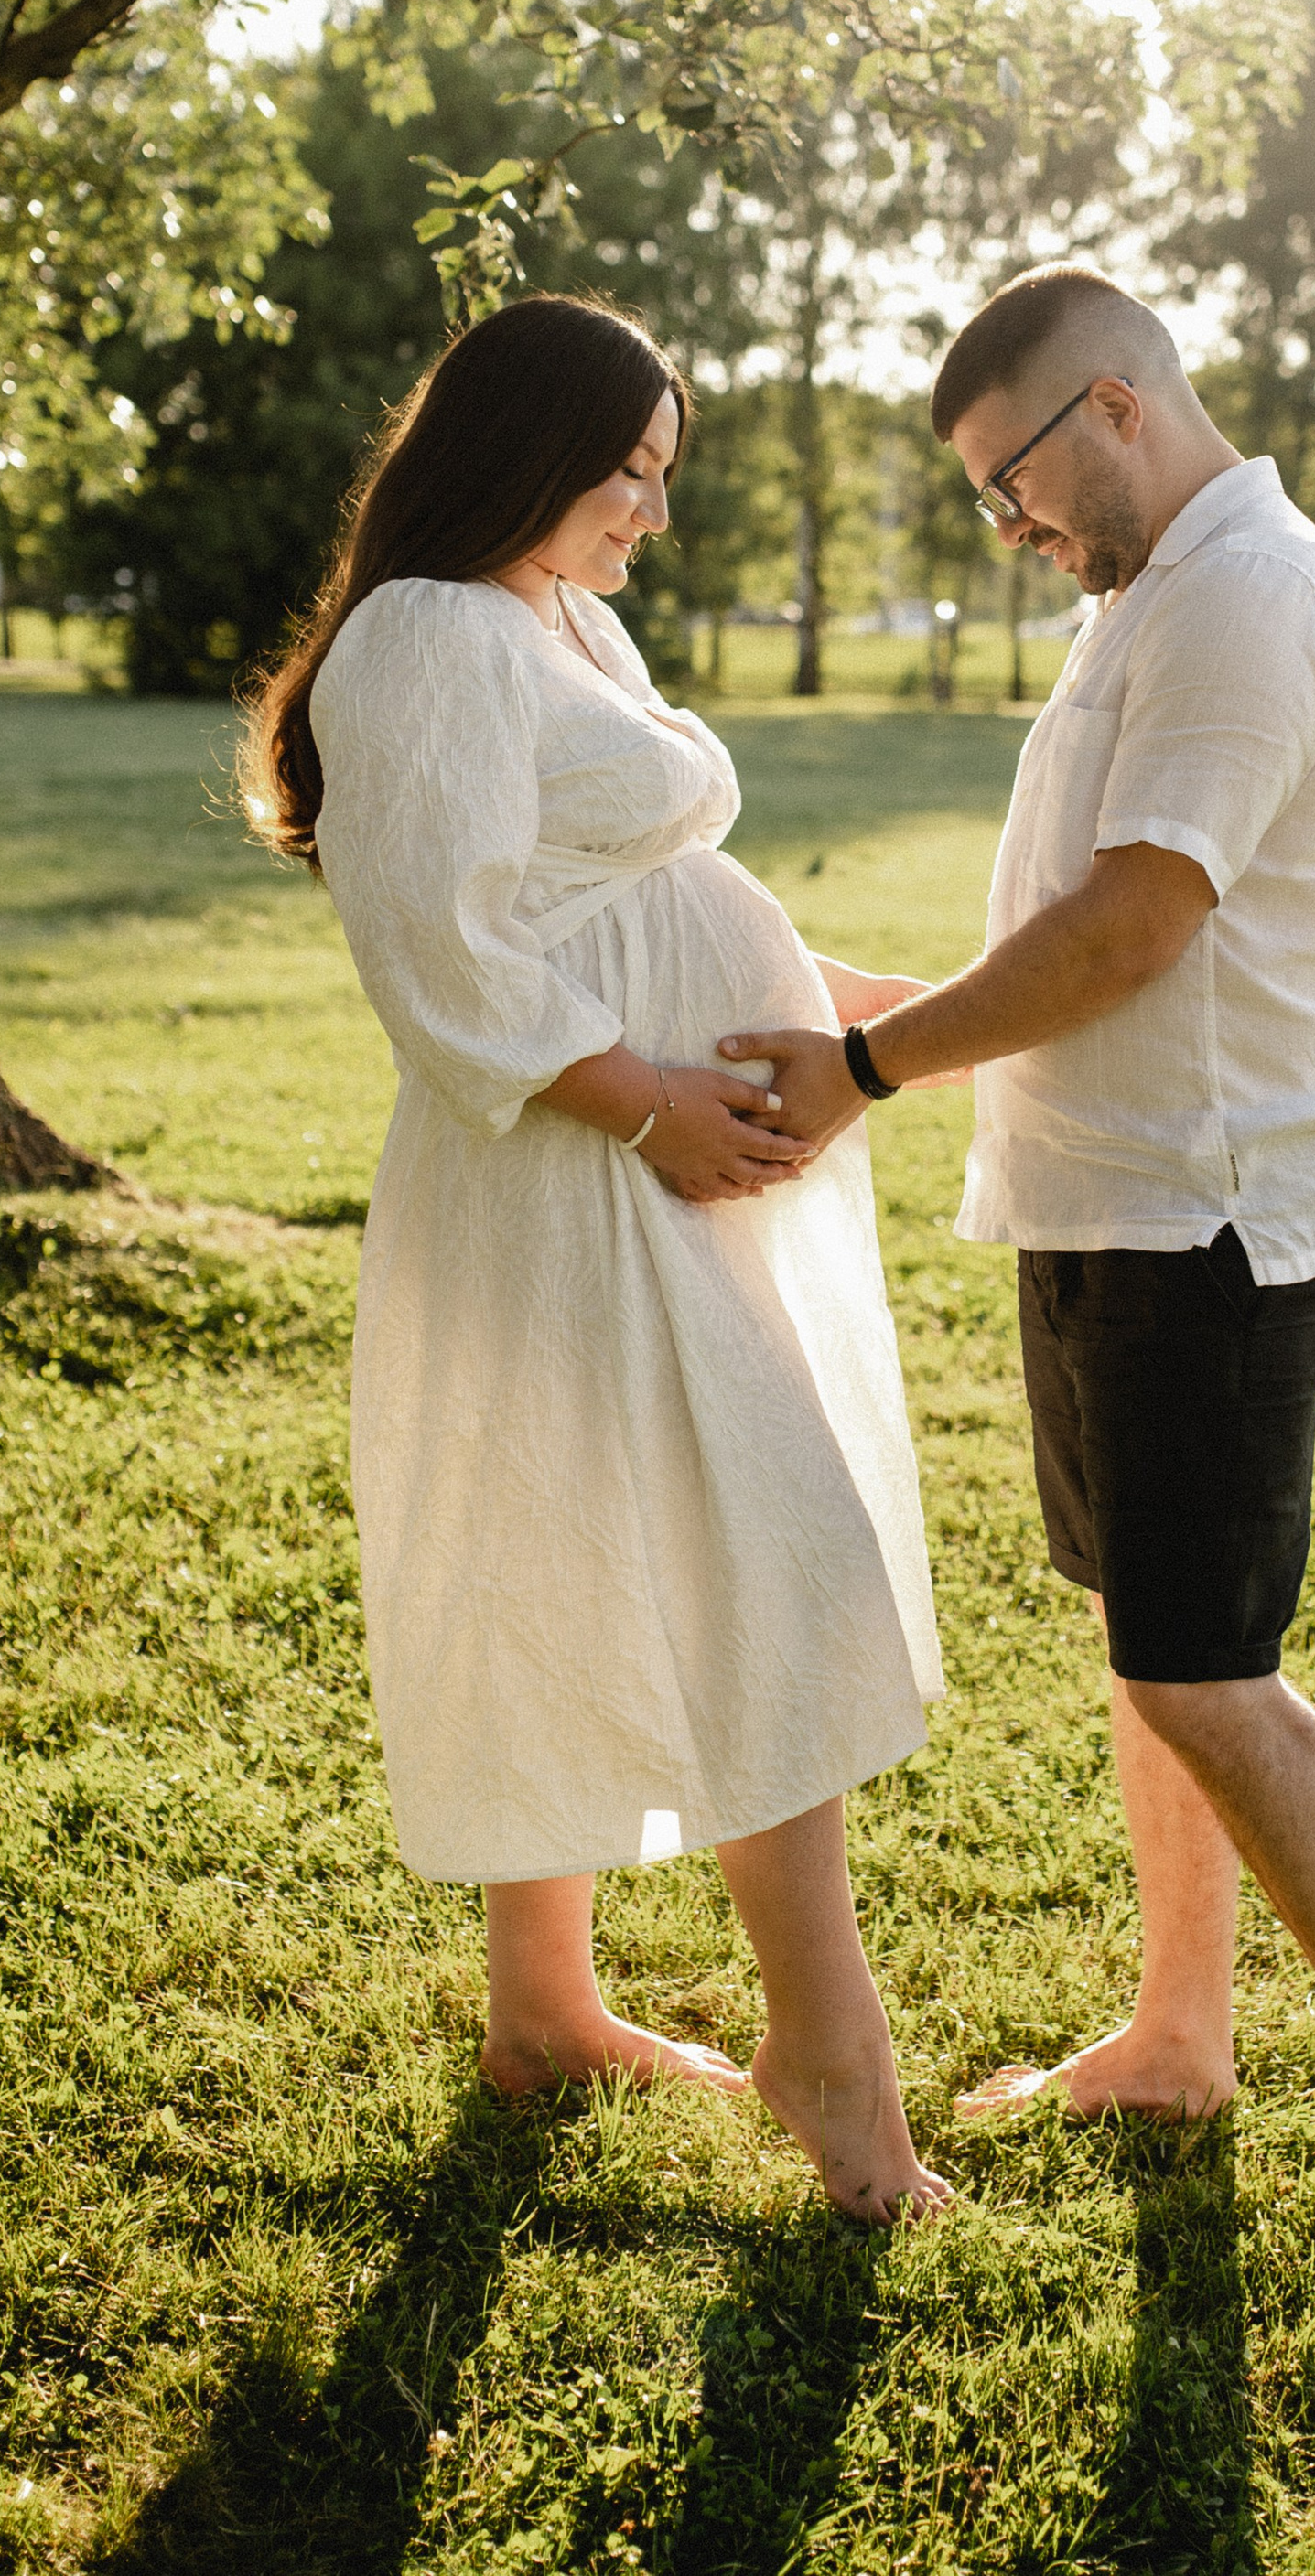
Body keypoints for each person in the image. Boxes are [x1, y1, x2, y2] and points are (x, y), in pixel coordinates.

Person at [721, 262, 1315, 2314]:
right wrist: (836, 1005)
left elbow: (1139, 926)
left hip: (1215, 1224)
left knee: (1204, 1668)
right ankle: (1180, 2031)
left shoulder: (1244, 590)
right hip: (1101, 1205)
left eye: (1013, 482)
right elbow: (1069, 938)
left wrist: (869, 1066)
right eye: (985, 500)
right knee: (1152, 1654)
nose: (1011, 530)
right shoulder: (1149, 594)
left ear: (1117, 406)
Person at [240, 292, 949, 2226]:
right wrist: (642, 1092)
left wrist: (859, 1010)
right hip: (566, 1167)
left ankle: (542, 2006)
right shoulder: (429, 634)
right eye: (625, 467)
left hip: (649, 1155)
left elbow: (636, 889)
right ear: (524, 449)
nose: (649, 504)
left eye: (661, 471)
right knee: (752, 1559)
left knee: (583, 1540)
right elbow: (437, 942)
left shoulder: (564, 613)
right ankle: (831, 2058)